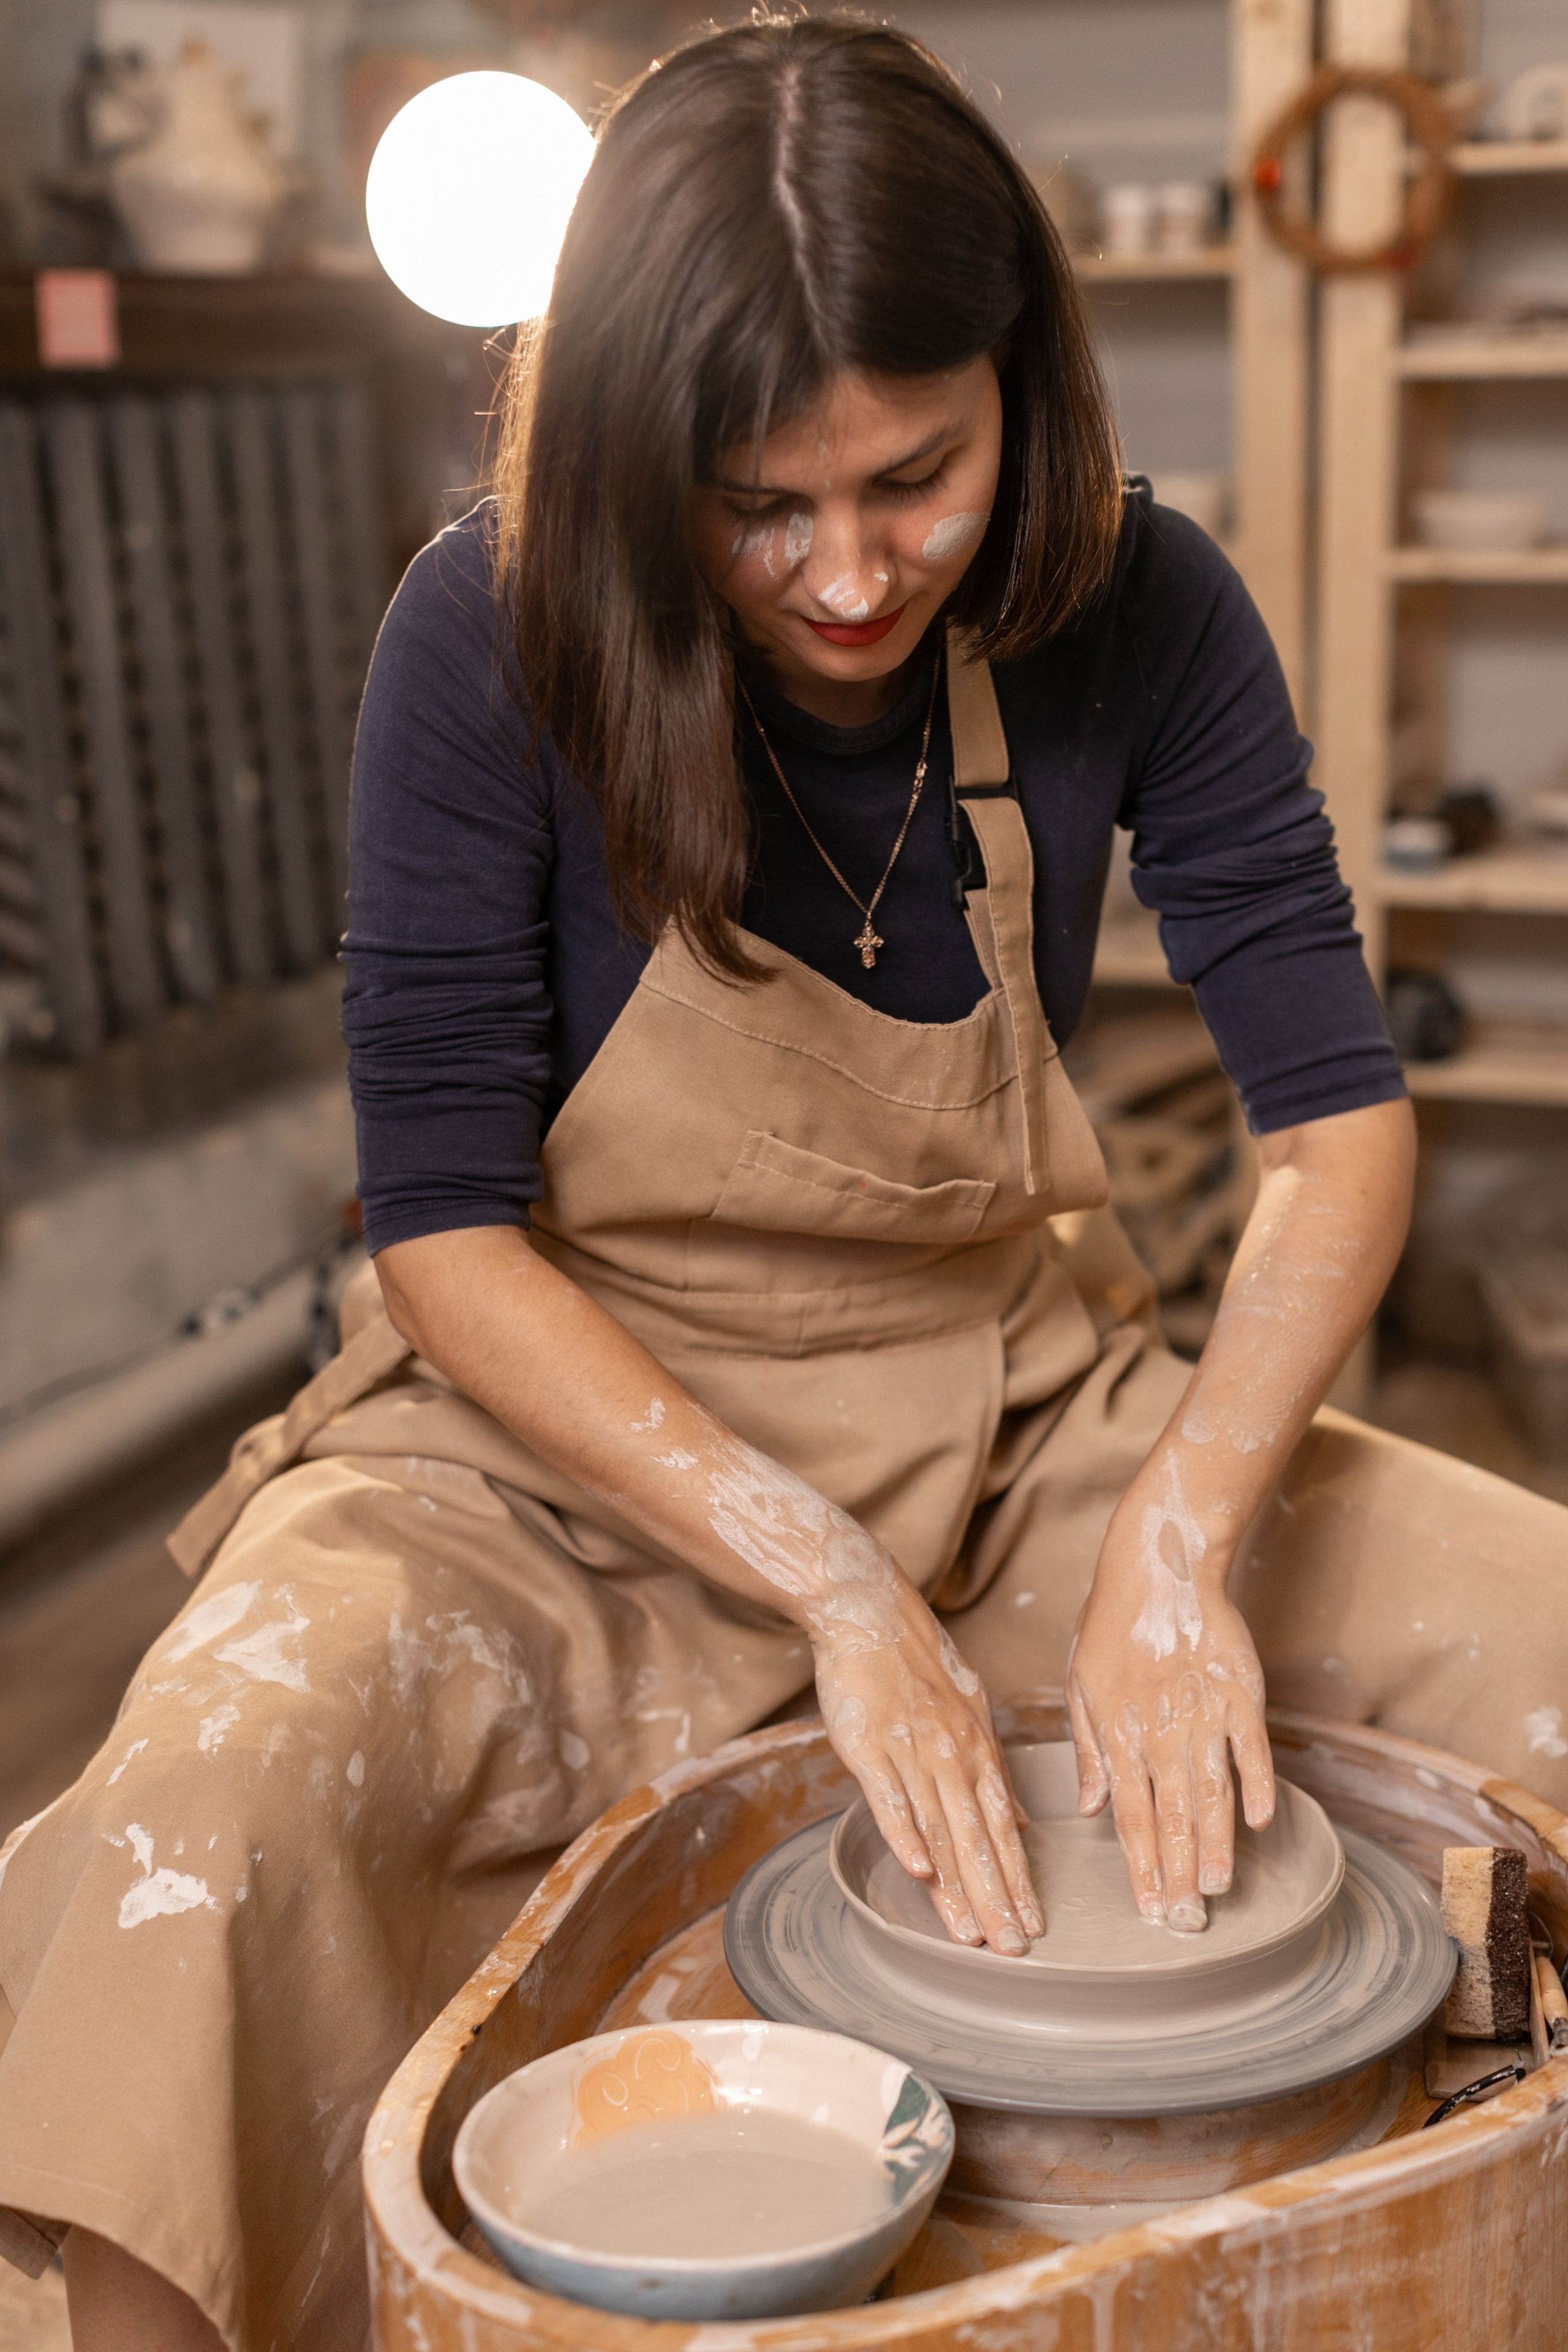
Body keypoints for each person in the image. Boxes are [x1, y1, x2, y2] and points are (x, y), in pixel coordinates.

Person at [3, 15, 1566, 2350]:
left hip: (1015, 1422)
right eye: (761, 505)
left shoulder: (1148, 606)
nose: (849, 572)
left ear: (1021, 387)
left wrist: (1175, 1536)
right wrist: (823, 1584)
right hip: (546, 1456)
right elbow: (437, 1227)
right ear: (648, 459)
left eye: (915, 477)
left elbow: (1334, 1121)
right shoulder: (486, 631)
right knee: (197, 1830)